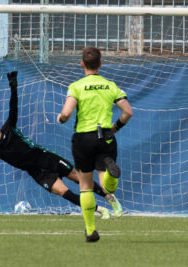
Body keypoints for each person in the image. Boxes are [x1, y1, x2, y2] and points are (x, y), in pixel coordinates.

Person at [0, 71, 121, 219]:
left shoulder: (10, 128)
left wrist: (13, 86)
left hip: (46, 158)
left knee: (80, 179)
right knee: (64, 192)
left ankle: (110, 199)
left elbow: (14, 107)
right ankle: (99, 210)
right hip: (37, 172)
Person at [57, 47, 133, 242]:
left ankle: (91, 231)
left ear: (82, 64)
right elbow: (128, 112)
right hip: (106, 136)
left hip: (84, 138)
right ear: (100, 64)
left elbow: (66, 113)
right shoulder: (110, 85)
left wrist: (61, 118)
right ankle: (111, 178)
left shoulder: (76, 86)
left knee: (85, 186)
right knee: (106, 182)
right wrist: (116, 126)